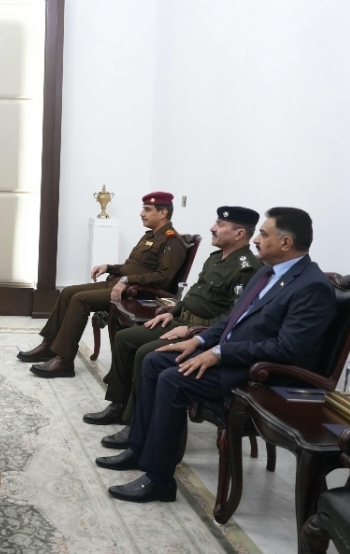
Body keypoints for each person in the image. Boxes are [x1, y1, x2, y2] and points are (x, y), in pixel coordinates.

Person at [97, 207, 336, 503]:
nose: (256, 239)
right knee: (154, 360)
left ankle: (159, 480)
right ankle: (138, 448)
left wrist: (220, 353)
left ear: (286, 243)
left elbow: (288, 349)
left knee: (173, 379)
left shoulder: (312, 286)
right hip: (232, 355)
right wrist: (199, 340)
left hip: (261, 373)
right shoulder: (267, 272)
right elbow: (232, 319)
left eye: (263, 234)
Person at [86, 206, 261, 437]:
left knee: (146, 353)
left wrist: (192, 330)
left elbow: (234, 317)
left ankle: (136, 422)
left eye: (220, 225)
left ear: (239, 234)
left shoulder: (247, 269)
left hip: (198, 331)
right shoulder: (216, 258)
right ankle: (118, 406)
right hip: (179, 320)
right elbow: (195, 293)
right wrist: (173, 311)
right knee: (124, 338)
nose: (212, 228)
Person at [19, 192, 188, 378]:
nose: (142, 213)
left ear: (163, 213)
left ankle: (64, 361)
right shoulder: (150, 236)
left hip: (139, 294)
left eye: (147, 210)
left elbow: (163, 278)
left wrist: (127, 281)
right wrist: (109, 267)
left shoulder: (172, 240)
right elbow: (133, 266)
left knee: (80, 299)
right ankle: (49, 346)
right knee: (67, 292)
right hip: (120, 285)